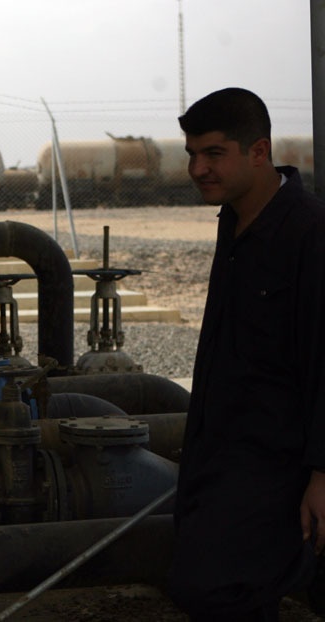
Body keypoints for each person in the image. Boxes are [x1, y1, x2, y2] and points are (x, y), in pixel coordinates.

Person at [168, 87, 325, 620]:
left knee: (212, 589)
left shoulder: (310, 232)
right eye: (192, 154)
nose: (197, 168)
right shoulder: (233, 223)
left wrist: (322, 475)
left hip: (281, 465)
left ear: (259, 152)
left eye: (213, 154)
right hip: (224, 454)